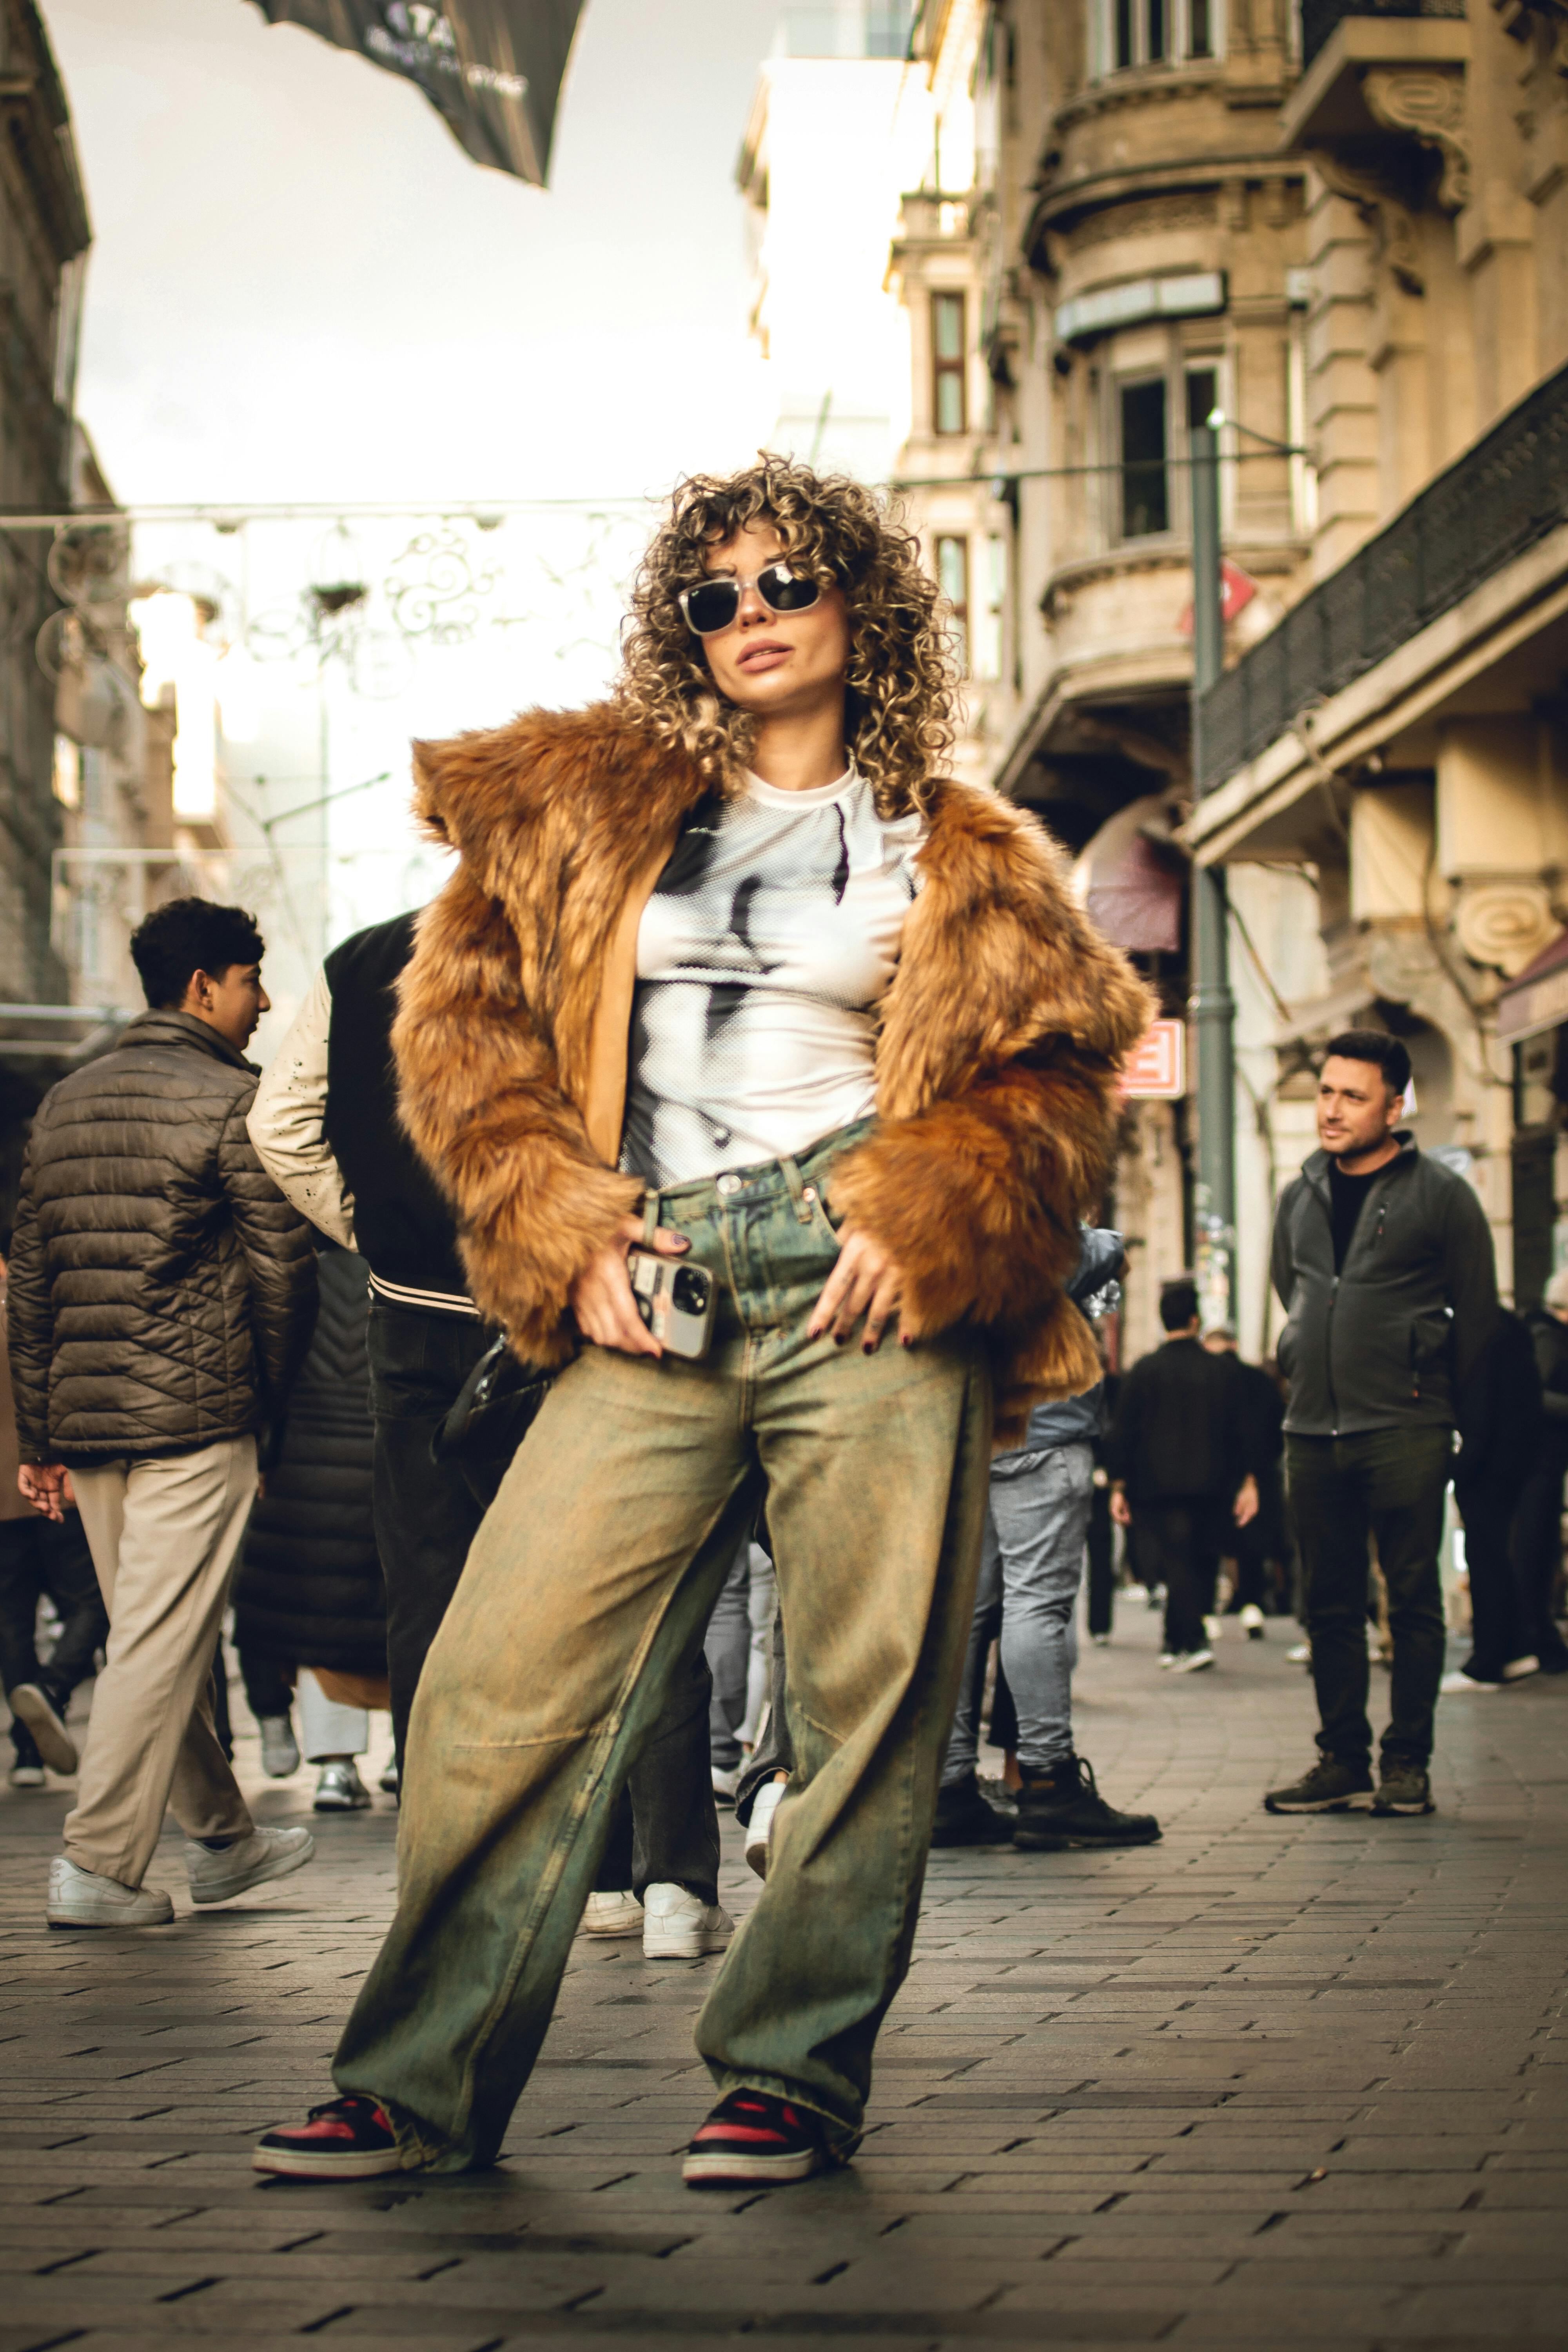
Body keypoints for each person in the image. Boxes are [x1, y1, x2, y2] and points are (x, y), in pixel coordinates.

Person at [253, 454, 1151, 2189]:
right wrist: (552, 1227)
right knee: (497, 1677)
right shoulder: (591, 805)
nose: (749, 615)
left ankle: (788, 2071)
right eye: (711, 594)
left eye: (786, 582)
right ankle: (418, 2076)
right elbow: (462, 1035)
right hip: (650, 1277)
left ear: (859, 608)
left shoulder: (956, 848)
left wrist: (938, 1201)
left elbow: (1051, 1074)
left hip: (857, 1271)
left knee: (866, 1697)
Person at [248, 914, 728, 1956]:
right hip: (572, 1307)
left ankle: (454, 1875)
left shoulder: (360, 961)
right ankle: (668, 1884)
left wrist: (372, 1234)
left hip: (412, 1319)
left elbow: (278, 1126)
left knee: (432, 1597)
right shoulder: (594, 943)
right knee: (631, 1583)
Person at [6, 897, 318, 1927]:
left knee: (156, 1634)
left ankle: (222, 1841)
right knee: (154, 1640)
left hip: (90, 1426)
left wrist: (39, 1435)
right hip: (198, 1416)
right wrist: (269, 1417)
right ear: (202, 987)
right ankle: (97, 1865)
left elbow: (33, 1282)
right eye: (250, 982)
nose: (261, 1003)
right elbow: (282, 1278)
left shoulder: (65, 1102)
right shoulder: (234, 1100)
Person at [1263, 1029, 1499, 1818]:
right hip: (1311, 1429)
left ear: (1393, 1109)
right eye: (1326, 1092)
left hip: (1405, 1425)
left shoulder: (1441, 1196)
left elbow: (1478, 1318)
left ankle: (1406, 1762)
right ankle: (1341, 1759)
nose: (1331, 1110)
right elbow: (1292, 1290)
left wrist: (1446, 1411)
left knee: (1412, 1599)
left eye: (1352, 1097)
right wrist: (1305, 1352)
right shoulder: (1299, 1194)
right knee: (1327, 1604)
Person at [934, 1227, 1160, 1852]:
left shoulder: (933, 1188)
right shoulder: (1009, 1181)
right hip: (1041, 1414)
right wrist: (1108, 1246)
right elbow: (1045, 1258)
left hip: (973, 1415)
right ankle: (1048, 1782)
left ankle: (950, 1787)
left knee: (969, 1610)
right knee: (1038, 1603)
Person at [232, 1243, 394, 1811]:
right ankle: (406, 1752)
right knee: (403, 1609)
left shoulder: (300, 1272)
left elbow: (266, 1365)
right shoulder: (413, 1258)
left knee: (317, 1617)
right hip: (391, 1452)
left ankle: (335, 1767)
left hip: (305, 1460)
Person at [1106, 1280, 1259, 1672]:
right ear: (1195, 1320)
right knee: (1202, 1558)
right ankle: (1183, 1639)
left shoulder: (1144, 1371)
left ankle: (1184, 1640)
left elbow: (1124, 1431)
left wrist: (1118, 1484)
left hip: (1157, 1486)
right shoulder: (1220, 1371)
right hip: (1213, 1483)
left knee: (1176, 1561)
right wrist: (1248, 1481)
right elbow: (1241, 1430)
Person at [0, 1250, 107, 1787]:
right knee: (97, 1600)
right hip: (56, 1482)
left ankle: (26, 1754)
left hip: (5, 1500)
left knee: (13, 1620)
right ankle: (53, 1686)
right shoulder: (39, 1308)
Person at [1442, 1308, 1543, 1694]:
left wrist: (1461, 1467)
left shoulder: (1480, 1332)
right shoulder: (1507, 1326)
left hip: (1489, 1463)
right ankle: (1514, 1650)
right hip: (1513, 1459)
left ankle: (1488, 1662)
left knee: (1485, 1557)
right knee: (1495, 1554)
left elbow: (1480, 1408)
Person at [1202, 1323, 1288, 1636]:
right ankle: (1252, 1606)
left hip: (1214, 1474)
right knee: (1252, 1543)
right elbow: (1278, 1429)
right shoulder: (1259, 1381)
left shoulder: (1205, 1379)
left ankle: (1207, 1611)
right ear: (1235, 1346)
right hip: (1259, 1475)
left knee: (1210, 1544)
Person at [1515, 1268, 1568, 1673]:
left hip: (1541, 1462)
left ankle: (1538, 1636)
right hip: (1538, 1463)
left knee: (1539, 1549)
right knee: (1535, 1550)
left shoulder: (1542, 1333)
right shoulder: (1548, 1337)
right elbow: (1534, 1397)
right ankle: (1536, 1637)